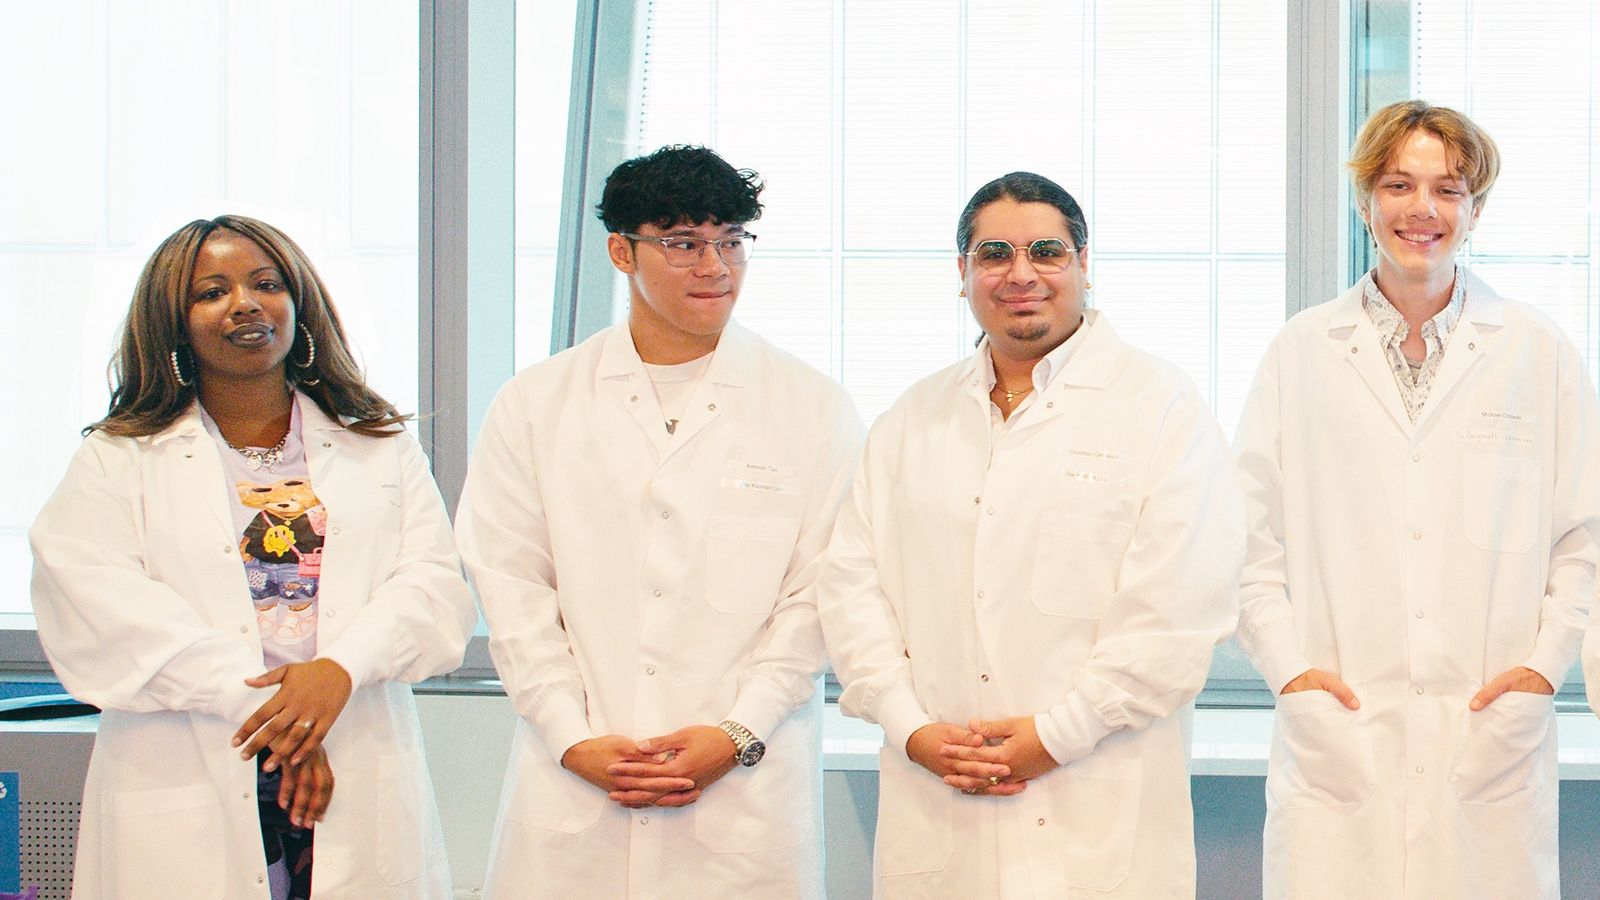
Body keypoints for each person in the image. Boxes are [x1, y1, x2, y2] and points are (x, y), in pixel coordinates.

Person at [817, 172, 1244, 898]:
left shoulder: (1161, 407)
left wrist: (1058, 735)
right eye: (994, 255)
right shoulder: (911, 421)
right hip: (938, 790)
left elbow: (1178, 612)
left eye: (1046, 252)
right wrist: (909, 725)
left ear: (1083, 263)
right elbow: (851, 589)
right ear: (963, 275)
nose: (1021, 274)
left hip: (1096, 801)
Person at [455, 145, 862, 898]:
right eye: (683, 243)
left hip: (746, 788)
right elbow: (511, 587)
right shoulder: (537, 403)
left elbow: (819, 595)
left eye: (732, 240)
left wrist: (737, 732)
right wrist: (570, 736)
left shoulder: (812, 406)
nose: (715, 265)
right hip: (576, 775)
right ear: (621, 250)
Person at [30, 215, 476, 900]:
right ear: (174, 323)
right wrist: (277, 720)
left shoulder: (378, 445)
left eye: (265, 284)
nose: (244, 304)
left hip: (351, 756)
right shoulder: (115, 460)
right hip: (191, 768)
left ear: (298, 304)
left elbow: (432, 591)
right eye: (211, 292)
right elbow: (102, 609)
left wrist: (336, 674)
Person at [1235, 100, 1600, 899]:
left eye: (1449, 189)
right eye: (1399, 184)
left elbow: (1584, 538)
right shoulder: (1302, 351)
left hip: (1486, 733)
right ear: (1366, 200)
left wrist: (1543, 668)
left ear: (1475, 209)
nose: (1423, 210)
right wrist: (1289, 671)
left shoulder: (1536, 351)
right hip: (1340, 735)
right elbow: (1247, 541)